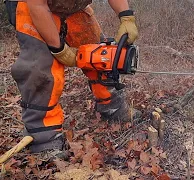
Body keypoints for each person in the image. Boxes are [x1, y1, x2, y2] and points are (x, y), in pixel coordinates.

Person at [5, 0, 138, 154]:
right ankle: (43, 137)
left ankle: (111, 104)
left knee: (98, 53)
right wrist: (59, 49)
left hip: (73, 5)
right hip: (32, 5)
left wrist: (126, 16)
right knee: (40, 66)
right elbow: (37, 5)